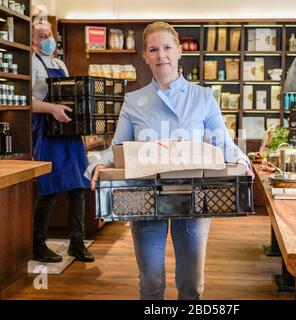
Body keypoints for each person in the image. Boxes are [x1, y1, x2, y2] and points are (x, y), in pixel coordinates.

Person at [86, 21, 252, 299]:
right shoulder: (133, 100)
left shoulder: (203, 97)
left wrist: (242, 160)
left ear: (178, 51)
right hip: (145, 194)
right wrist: (98, 163)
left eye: (166, 47)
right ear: (145, 56)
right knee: (150, 280)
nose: (160, 55)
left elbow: (223, 142)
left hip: (195, 195)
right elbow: (118, 149)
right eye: (153, 49)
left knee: (191, 283)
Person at [32, 20, 94, 263]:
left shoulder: (60, 64)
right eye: (41, 36)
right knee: (48, 189)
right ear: (32, 41)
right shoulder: (31, 64)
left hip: (68, 132)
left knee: (78, 186)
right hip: (47, 133)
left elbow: (70, 96)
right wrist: (52, 109)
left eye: (49, 34)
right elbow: (27, 103)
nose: (47, 39)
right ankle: (38, 245)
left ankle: (77, 244)